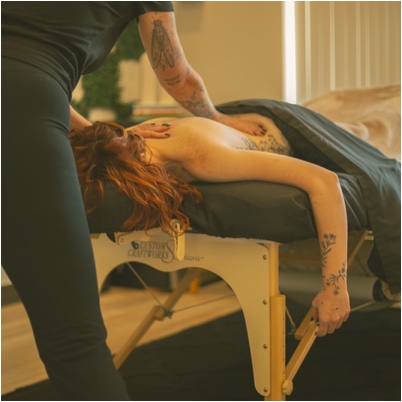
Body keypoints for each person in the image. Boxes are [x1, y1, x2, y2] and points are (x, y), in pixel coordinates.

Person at [2, 2, 265, 400]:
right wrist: (220, 119)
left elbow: (26, 66)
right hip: (18, 114)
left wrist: (105, 136)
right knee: (75, 342)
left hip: (24, 104)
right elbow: (178, 77)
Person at [69, 114, 351, 339]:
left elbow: (325, 181)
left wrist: (335, 288)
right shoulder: (123, 142)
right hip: (227, 120)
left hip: (281, 127)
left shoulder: (202, 158)